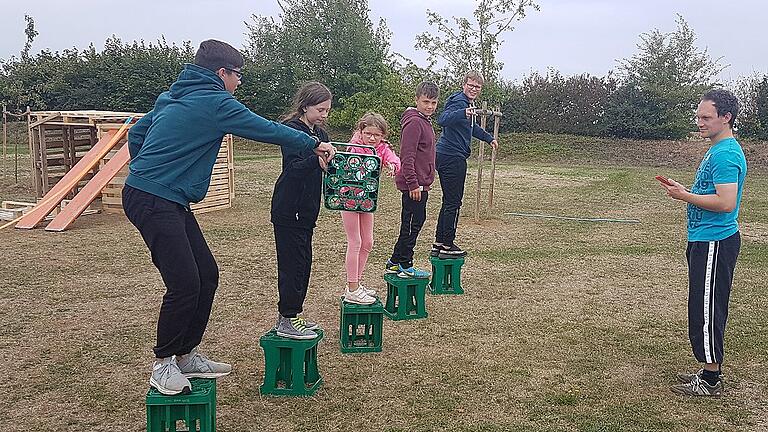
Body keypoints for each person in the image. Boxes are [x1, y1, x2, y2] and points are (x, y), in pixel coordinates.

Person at [122, 40, 335, 395]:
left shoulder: (171, 96)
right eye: (237, 75)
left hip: (162, 196)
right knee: (185, 282)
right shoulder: (216, 102)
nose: (239, 83)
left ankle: (186, 356)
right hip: (153, 198)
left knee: (207, 273)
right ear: (223, 73)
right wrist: (311, 144)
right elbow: (266, 129)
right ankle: (163, 363)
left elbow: (137, 134)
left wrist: (148, 167)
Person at [660, 89, 746, 397]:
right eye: (698, 116)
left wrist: (683, 196)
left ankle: (710, 379)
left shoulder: (725, 153)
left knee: (707, 308)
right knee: (702, 305)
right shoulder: (717, 149)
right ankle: (708, 367)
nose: (700, 122)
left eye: (706, 117)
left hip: (715, 240)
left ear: (726, 118)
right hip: (704, 239)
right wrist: (686, 190)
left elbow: (725, 202)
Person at [271, 81, 334, 339]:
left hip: (308, 211)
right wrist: (317, 160)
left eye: (327, 110)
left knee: (303, 264)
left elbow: (326, 167)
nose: (324, 115)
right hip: (289, 209)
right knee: (292, 265)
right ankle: (286, 318)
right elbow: (293, 168)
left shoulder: (321, 135)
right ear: (305, 105)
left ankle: (292, 315)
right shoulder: (291, 131)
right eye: (320, 109)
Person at [432, 71, 498, 259]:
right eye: (471, 85)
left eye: (477, 86)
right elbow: (443, 119)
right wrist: (462, 112)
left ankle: (439, 242)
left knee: (448, 201)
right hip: (452, 156)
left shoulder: (468, 104)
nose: (474, 88)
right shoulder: (459, 102)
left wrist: (488, 137)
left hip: (447, 155)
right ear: (464, 84)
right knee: (454, 202)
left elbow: (470, 127)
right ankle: (447, 244)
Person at [341, 113, 401, 304]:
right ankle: (351, 288)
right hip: (349, 198)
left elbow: (392, 157)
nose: (372, 138)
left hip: (367, 200)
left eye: (377, 135)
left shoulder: (381, 148)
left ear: (383, 135)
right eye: (368, 134)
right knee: (355, 241)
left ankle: (356, 284)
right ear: (361, 131)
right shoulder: (355, 147)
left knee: (368, 242)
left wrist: (392, 164)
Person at [385, 82, 440, 278]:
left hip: (422, 183)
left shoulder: (425, 121)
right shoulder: (414, 122)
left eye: (433, 102)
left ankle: (394, 260)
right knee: (411, 223)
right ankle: (405, 264)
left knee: (417, 220)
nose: (430, 106)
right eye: (426, 101)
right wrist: (413, 183)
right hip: (414, 185)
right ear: (416, 100)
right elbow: (407, 156)